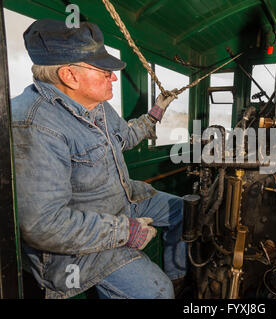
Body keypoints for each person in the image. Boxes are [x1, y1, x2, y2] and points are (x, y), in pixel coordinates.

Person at [11, 19, 187, 299]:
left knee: (182, 211)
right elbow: (43, 225)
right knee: (158, 293)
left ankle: (179, 278)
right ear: (70, 75)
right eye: (104, 71)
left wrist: (155, 113)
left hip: (122, 204)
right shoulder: (32, 124)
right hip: (75, 245)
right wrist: (125, 231)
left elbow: (125, 137)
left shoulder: (97, 106)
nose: (113, 77)